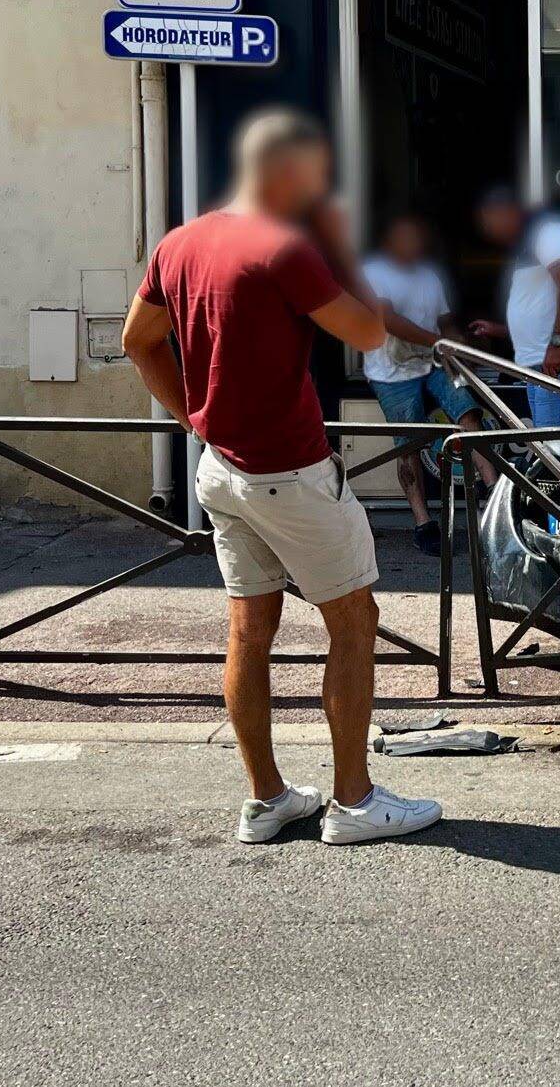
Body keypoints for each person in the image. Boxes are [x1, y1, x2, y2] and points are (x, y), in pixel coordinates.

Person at [121, 109, 441, 847]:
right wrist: (338, 244)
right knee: (354, 620)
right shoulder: (286, 247)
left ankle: (266, 800)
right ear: (284, 172)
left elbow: (136, 341)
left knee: (249, 630)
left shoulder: (180, 242)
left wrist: (193, 416)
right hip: (289, 471)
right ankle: (354, 801)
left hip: (221, 468)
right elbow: (367, 332)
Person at [360, 215, 495, 556]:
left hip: (432, 363)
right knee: (408, 445)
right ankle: (423, 523)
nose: (415, 245)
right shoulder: (374, 271)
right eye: (407, 238)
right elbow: (387, 320)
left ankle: (493, 497)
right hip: (390, 370)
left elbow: (445, 323)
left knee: (468, 415)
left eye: (418, 238)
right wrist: (439, 342)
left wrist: (463, 347)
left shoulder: (429, 276)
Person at [468, 188, 560, 428]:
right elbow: (538, 307)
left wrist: (557, 345)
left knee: (556, 451)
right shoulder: (529, 241)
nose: (488, 230)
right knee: (545, 443)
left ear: (508, 213)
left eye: (489, 220)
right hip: (541, 361)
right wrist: (500, 330)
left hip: (559, 361)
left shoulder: (549, 233)